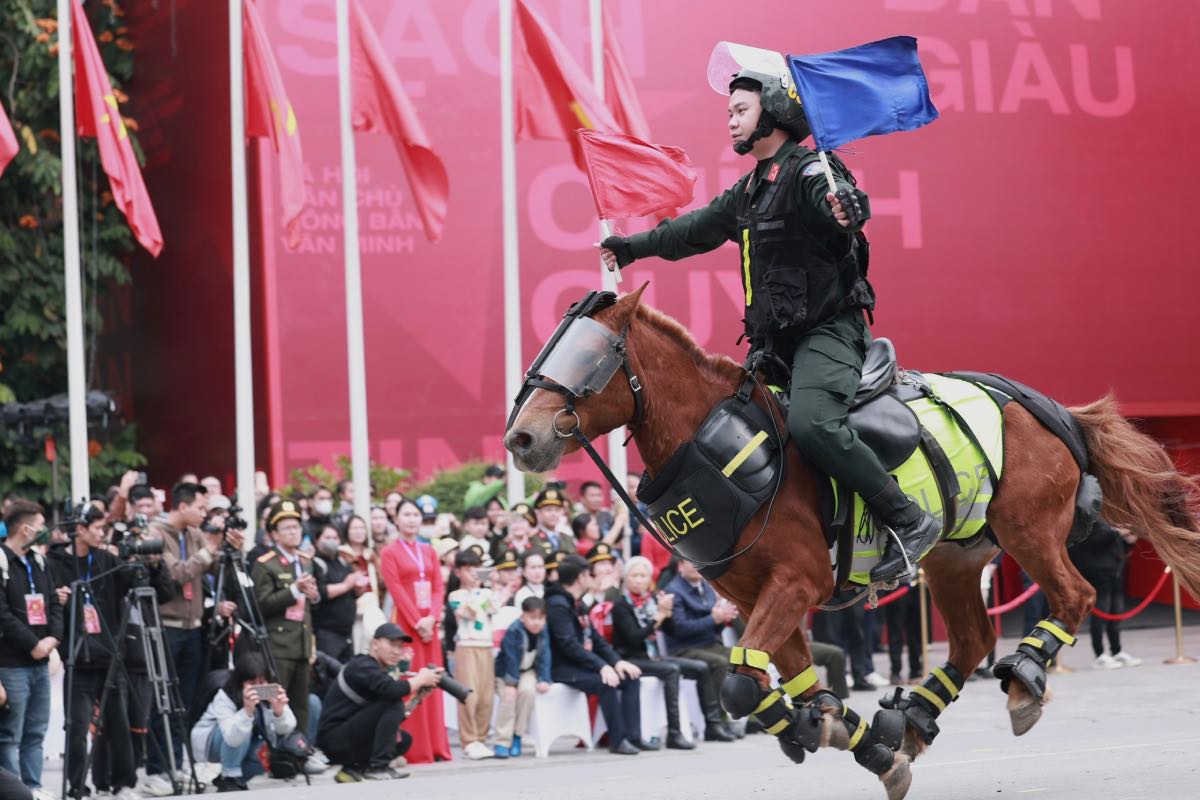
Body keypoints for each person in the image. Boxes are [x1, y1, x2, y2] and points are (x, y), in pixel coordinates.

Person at [599, 58, 940, 585]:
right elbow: (691, 231)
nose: (730, 120)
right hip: (772, 348)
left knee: (812, 425)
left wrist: (848, 211)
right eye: (729, 111)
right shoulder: (751, 189)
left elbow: (842, 216)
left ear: (775, 112)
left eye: (740, 109)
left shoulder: (810, 172)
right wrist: (630, 248)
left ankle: (908, 518)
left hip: (828, 334)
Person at [50, 505, 172, 800]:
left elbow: (159, 592)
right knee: (77, 728)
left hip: (109, 656)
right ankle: (77, 785)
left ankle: (123, 783)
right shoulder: (55, 563)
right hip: (77, 658)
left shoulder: (107, 560)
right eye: (97, 529)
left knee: (118, 723)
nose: (102, 535)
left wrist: (154, 564)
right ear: (79, 529)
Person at [612, 556, 716, 750]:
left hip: (654, 656)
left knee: (701, 668)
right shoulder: (621, 605)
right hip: (632, 658)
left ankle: (713, 725)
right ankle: (674, 733)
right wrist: (658, 616)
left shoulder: (651, 601)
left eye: (643, 576)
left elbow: (672, 631)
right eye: (634, 575)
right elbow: (635, 638)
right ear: (626, 579)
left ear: (649, 579)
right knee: (671, 670)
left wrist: (667, 615)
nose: (638, 580)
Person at [545, 554, 646, 754]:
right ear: (580, 577)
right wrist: (601, 666)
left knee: (629, 676)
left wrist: (617, 662)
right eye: (588, 574)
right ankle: (617, 741)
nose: (591, 578)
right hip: (563, 667)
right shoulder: (557, 604)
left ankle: (634, 736)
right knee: (607, 683)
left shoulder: (577, 602)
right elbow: (569, 645)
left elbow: (596, 639)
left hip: (581, 663)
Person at [317, 623, 442, 782]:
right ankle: (378, 768)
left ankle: (354, 769)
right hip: (333, 741)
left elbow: (392, 717)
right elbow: (392, 693)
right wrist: (420, 679)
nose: (396, 651)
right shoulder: (362, 665)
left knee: (403, 740)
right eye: (391, 644)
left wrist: (417, 698)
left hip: (345, 737)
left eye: (400, 646)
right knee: (393, 700)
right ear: (375, 644)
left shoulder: (376, 670)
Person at [379, 499, 452, 763]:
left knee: (433, 681)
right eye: (406, 514)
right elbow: (395, 589)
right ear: (396, 519)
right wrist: (417, 621)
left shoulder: (429, 550)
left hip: (429, 627)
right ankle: (412, 746)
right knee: (410, 682)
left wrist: (432, 618)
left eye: (415, 515)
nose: (411, 519)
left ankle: (435, 745)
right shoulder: (389, 552)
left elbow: (437, 587)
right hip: (406, 627)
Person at [0, 500, 62, 796]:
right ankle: (15, 792)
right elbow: (3, 614)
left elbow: (54, 603)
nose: (44, 532)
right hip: (12, 662)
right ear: (25, 529)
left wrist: (52, 640)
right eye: (39, 526)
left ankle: (34, 788)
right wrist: (33, 644)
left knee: (36, 732)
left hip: (41, 661)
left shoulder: (39, 561)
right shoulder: (2, 561)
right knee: (10, 735)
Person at [251, 500, 320, 736]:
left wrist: (314, 595)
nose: (293, 532)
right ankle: (275, 754)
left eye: (296, 527)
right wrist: (293, 590)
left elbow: (309, 604)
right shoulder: (265, 564)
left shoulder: (305, 561)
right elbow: (261, 604)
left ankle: (297, 752)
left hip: (301, 642)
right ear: (274, 534)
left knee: (301, 704)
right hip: (277, 645)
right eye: (287, 528)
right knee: (276, 700)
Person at [190, 650, 297, 792]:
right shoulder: (225, 696)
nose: (258, 687)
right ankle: (230, 776)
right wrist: (247, 711)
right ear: (240, 682)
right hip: (211, 743)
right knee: (242, 724)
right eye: (252, 683)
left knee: (264, 753)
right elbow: (231, 738)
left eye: (262, 682)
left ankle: (231, 781)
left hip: (243, 741)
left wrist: (279, 712)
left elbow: (286, 729)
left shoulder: (272, 693)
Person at [662, 559, 737, 740]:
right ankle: (717, 722)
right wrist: (714, 619)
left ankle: (740, 713)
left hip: (709, 644)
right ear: (680, 566)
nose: (696, 566)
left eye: (698, 561)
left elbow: (714, 626)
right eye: (690, 562)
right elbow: (680, 629)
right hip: (683, 648)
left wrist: (722, 619)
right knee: (719, 663)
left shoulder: (706, 587)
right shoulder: (675, 591)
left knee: (740, 656)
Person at [445, 549, 497, 759]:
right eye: (468, 569)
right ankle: (469, 740)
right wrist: (478, 591)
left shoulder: (487, 593)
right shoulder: (455, 595)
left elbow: (494, 607)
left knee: (486, 695)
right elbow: (467, 612)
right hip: (466, 646)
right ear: (458, 572)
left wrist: (490, 586)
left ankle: (481, 738)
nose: (473, 573)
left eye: (476, 569)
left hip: (486, 644)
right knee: (469, 694)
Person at [1070, 520, 1141, 669]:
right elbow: (1095, 541)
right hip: (1097, 571)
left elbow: (1117, 544)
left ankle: (1116, 651)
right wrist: (1117, 532)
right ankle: (1100, 655)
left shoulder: (1110, 517)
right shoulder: (1090, 516)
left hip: (1114, 569)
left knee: (1116, 612)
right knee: (1101, 613)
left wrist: (1129, 540)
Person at [493, 596, 552, 758]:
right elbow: (510, 658)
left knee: (528, 692)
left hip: (527, 670)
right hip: (507, 672)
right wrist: (510, 683)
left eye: (540, 618)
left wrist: (544, 679)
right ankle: (502, 741)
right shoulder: (514, 631)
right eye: (532, 618)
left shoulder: (544, 631)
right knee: (508, 698)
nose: (536, 623)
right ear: (523, 616)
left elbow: (545, 656)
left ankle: (517, 736)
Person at [313, 523, 366, 663]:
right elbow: (321, 592)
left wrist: (358, 589)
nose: (332, 541)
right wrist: (347, 585)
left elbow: (352, 592)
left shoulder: (342, 561)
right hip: (327, 632)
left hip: (347, 630)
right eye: (327, 537)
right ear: (317, 540)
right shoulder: (316, 563)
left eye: (335, 538)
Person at [531, 487, 577, 557]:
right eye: (548, 510)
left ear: (562, 512)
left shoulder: (568, 539)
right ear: (538, 512)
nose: (553, 514)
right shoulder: (533, 539)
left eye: (557, 510)